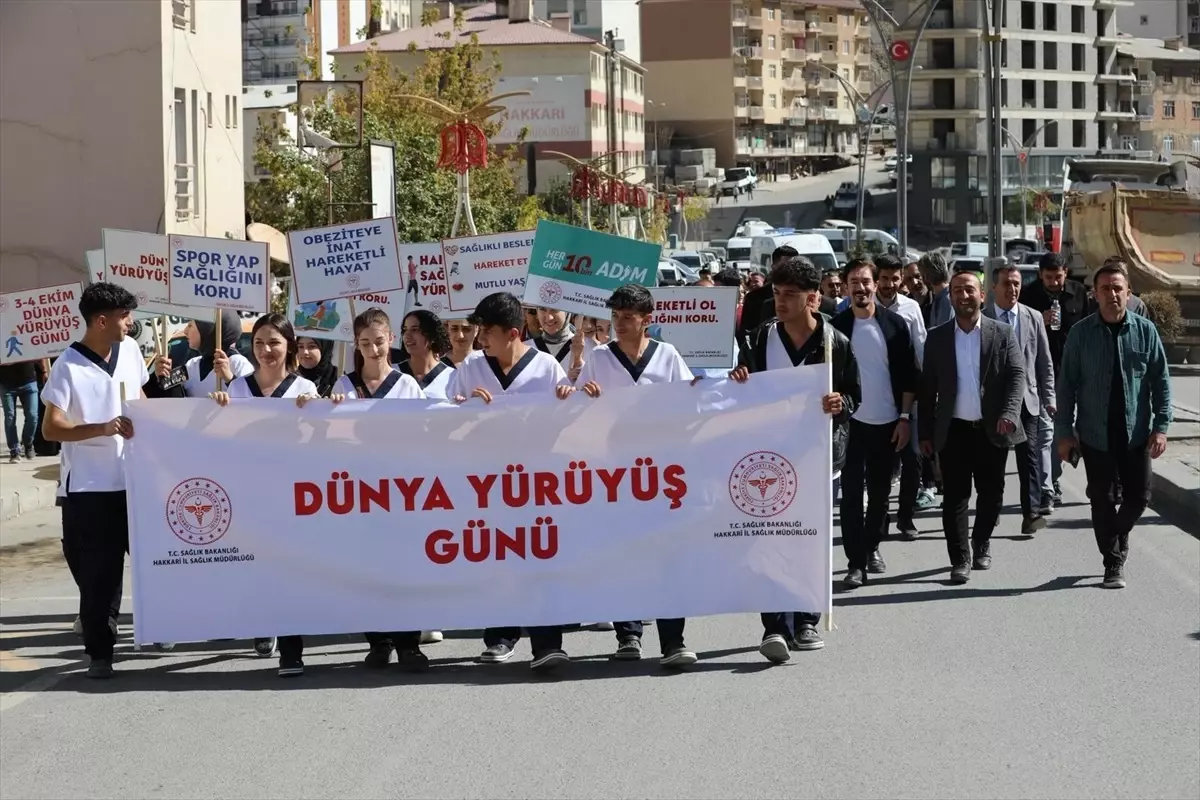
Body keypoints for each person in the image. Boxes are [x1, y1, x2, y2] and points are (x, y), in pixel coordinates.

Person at [730, 255, 859, 662]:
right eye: (776, 293)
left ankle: (806, 620)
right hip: (769, 458)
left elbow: (854, 395)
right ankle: (775, 626)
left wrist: (841, 403)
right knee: (769, 540)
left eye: (790, 294)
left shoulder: (835, 343)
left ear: (812, 298)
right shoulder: (759, 339)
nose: (781, 302)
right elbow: (744, 388)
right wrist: (739, 378)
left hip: (817, 458)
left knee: (809, 539)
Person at [447, 291, 576, 672]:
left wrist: (568, 400)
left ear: (513, 333)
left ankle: (548, 643)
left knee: (540, 558)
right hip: (487, 482)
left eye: (487, 331)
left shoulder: (547, 368)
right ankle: (500, 635)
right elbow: (442, 419)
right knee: (497, 558)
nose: (480, 338)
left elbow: (567, 424)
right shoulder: (471, 369)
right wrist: (464, 409)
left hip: (536, 482)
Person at [575, 283, 698, 669]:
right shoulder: (599, 359)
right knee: (623, 554)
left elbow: (692, 403)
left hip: (661, 474)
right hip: (616, 473)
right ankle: (627, 633)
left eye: (628, 317)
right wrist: (584, 396)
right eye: (615, 316)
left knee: (666, 556)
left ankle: (673, 640)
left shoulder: (667, 356)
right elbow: (574, 409)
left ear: (647, 320)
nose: (620, 324)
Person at [40, 282, 148, 678]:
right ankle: (100, 652)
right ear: (101, 321)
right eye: (124, 316)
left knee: (153, 561)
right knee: (100, 573)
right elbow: (52, 429)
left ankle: (161, 627)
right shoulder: (68, 365)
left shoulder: (130, 350)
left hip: (134, 479)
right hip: (91, 487)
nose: (130, 323)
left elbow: (139, 399)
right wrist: (102, 428)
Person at [211, 313, 322, 675]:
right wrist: (214, 411)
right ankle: (263, 626)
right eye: (258, 343)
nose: (266, 350)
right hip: (251, 495)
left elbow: (323, 442)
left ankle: (291, 649)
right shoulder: (238, 390)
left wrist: (317, 414)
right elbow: (220, 441)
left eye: (274, 342)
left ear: (290, 345)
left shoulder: (305, 389)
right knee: (257, 568)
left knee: (289, 572)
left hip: (293, 497)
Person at [1055, 262, 1172, 590]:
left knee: (1140, 496)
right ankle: (1113, 563)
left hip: (1136, 432)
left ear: (1128, 293)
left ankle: (1115, 532)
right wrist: (1064, 433)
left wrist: (1161, 427)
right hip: (1095, 434)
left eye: (1118, 288)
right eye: (1105, 288)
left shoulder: (1145, 331)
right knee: (1101, 499)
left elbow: (1161, 382)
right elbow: (1066, 387)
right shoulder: (1080, 334)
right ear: (1095, 294)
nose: (1112, 294)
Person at [919, 272, 1026, 584]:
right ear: (950, 297)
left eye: (969, 290)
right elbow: (927, 388)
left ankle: (981, 542)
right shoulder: (937, 337)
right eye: (957, 291)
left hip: (992, 429)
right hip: (953, 431)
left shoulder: (1001, 332)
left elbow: (1016, 374)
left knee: (992, 495)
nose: (963, 296)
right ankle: (960, 558)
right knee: (955, 497)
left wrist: (1010, 412)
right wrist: (924, 432)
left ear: (982, 295)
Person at [830, 258, 918, 588]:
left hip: (888, 423)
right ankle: (855, 563)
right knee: (851, 495)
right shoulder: (835, 328)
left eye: (866, 281)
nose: (861, 288)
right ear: (846, 286)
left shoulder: (895, 325)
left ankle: (872, 548)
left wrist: (905, 418)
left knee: (880, 496)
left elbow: (909, 376)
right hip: (849, 424)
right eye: (854, 282)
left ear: (875, 284)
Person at [984, 264, 1055, 536]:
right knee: (994, 462)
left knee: (1030, 459)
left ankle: (1031, 513)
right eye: (1006, 283)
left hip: (1028, 400)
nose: (1012, 288)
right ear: (994, 287)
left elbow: (1044, 361)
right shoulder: (984, 317)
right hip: (995, 403)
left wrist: (1049, 397)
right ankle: (992, 509)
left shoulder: (1032, 316)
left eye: (1016, 283)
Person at [1021, 251, 1088, 508]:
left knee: (1077, 425)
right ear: (1040, 275)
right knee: (1048, 429)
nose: (1054, 282)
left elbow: (1089, 326)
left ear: (1065, 274)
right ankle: (1052, 481)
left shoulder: (1078, 293)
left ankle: (1067, 465)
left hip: (1075, 369)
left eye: (1058, 277)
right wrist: (1041, 320)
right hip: (1043, 372)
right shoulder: (1029, 296)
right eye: (1048, 277)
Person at [874, 253, 928, 539]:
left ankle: (905, 517)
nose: (889, 284)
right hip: (876, 396)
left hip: (909, 394)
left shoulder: (911, 308)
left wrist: (927, 389)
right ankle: (880, 517)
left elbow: (921, 350)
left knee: (913, 459)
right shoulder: (862, 307)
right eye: (884, 278)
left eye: (895, 279)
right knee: (882, 463)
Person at [398, 310, 455, 401]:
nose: (407, 335)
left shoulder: (453, 377)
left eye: (414, 330)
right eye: (405, 330)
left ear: (432, 335)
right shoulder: (391, 374)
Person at [1, 359, 43, 462]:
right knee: (10, 417)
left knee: (33, 416)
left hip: (29, 380)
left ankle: (28, 443)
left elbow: (40, 353)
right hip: (6, 384)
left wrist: (44, 370)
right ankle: (14, 449)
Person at [918, 252, 952, 329]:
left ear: (926, 275)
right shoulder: (940, 297)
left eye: (922, 274)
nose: (922, 279)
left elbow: (943, 330)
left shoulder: (947, 299)